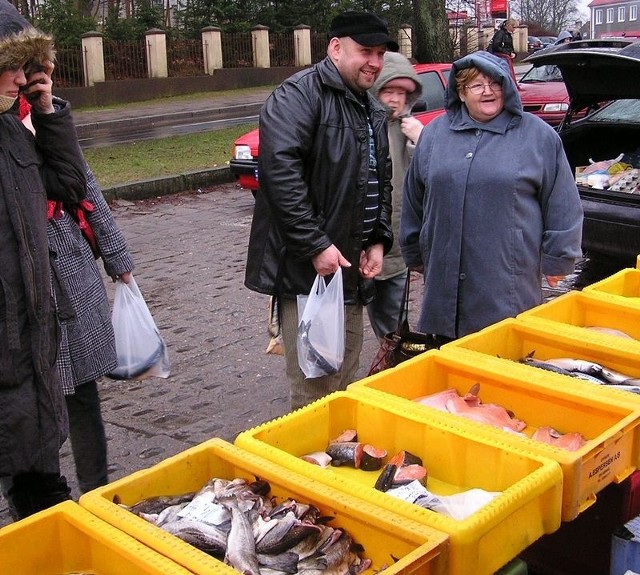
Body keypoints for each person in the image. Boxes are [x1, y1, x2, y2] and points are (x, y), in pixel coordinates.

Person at [244, 11, 395, 410]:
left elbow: (380, 183)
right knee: (313, 386)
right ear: (335, 47)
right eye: (366, 51)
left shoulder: (370, 109)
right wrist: (315, 245)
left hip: (351, 273)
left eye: (380, 54)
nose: (375, 63)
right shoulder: (298, 96)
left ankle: (335, 462)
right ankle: (306, 465)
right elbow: (279, 177)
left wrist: (378, 239)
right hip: (309, 275)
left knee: (344, 378)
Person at [400, 51, 583, 345]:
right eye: (476, 85)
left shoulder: (538, 136)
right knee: (450, 373)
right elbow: (415, 198)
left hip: (505, 284)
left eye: (495, 83)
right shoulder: (435, 135)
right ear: (460, 92)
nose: (488, 91)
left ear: (507, 86)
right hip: (444, 288)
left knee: (504, 364)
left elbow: (562, 203)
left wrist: (558, 259)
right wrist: (414, 250)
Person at [18, 96, 135, 495]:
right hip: (18, 282)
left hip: (68, 272)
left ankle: (97, 491)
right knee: (23, 407)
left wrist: (118, 256)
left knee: (82, 396)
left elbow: (85, 186)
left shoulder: (45, 117)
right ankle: (39, 505)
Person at [0, 0, 87, 519]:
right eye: (7, 66)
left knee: (44, 505)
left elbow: (69, 185)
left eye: (23, 67)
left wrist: (48, 110)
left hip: (31, 352)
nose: (16, 79)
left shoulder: (15, 128)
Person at [366, 51, 424, 340]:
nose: (395, 99)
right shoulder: (358, 126)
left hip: (396, 245)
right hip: (360, 242)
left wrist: (421, 141)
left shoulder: (408, 130)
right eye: (389, 90)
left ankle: (393, 362)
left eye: (403, 93)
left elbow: (429, 179)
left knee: (394, 322)